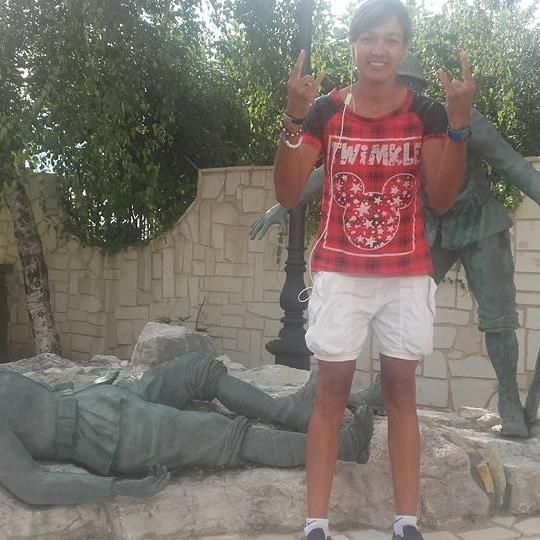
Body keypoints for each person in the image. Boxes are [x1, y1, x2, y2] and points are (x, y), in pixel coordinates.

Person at [255, 51, 540, 438]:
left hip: (479, 223)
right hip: (431, 227)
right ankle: (385, 388)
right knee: (402, 310)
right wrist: (284, 205)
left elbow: (514, 165)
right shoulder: (374, 123)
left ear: (416, 89)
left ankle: (509, 402)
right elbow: (328, 171)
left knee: (498, 317)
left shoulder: (458, 118)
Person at [273, 0, 476, 538]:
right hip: (340, 271)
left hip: (406, 273)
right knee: (330, 391)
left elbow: (442, 197)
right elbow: (289, 192)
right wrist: (293, 118)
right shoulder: (326, 112)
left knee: (401, 391)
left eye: (390, 39)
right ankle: (316, 523)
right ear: (354, 45)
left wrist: (459, 126)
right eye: (368, 37)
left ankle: (405, 522)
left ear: (404, 48)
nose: (378, 49)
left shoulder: (427, 112)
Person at [0, 352, 374, 506]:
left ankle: (288, 411)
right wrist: (115, 488)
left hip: (102, 398)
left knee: (196, 369)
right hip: (110, 435)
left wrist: (96, 387)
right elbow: (33, 484)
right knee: (224, 434)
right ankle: (344, 447)